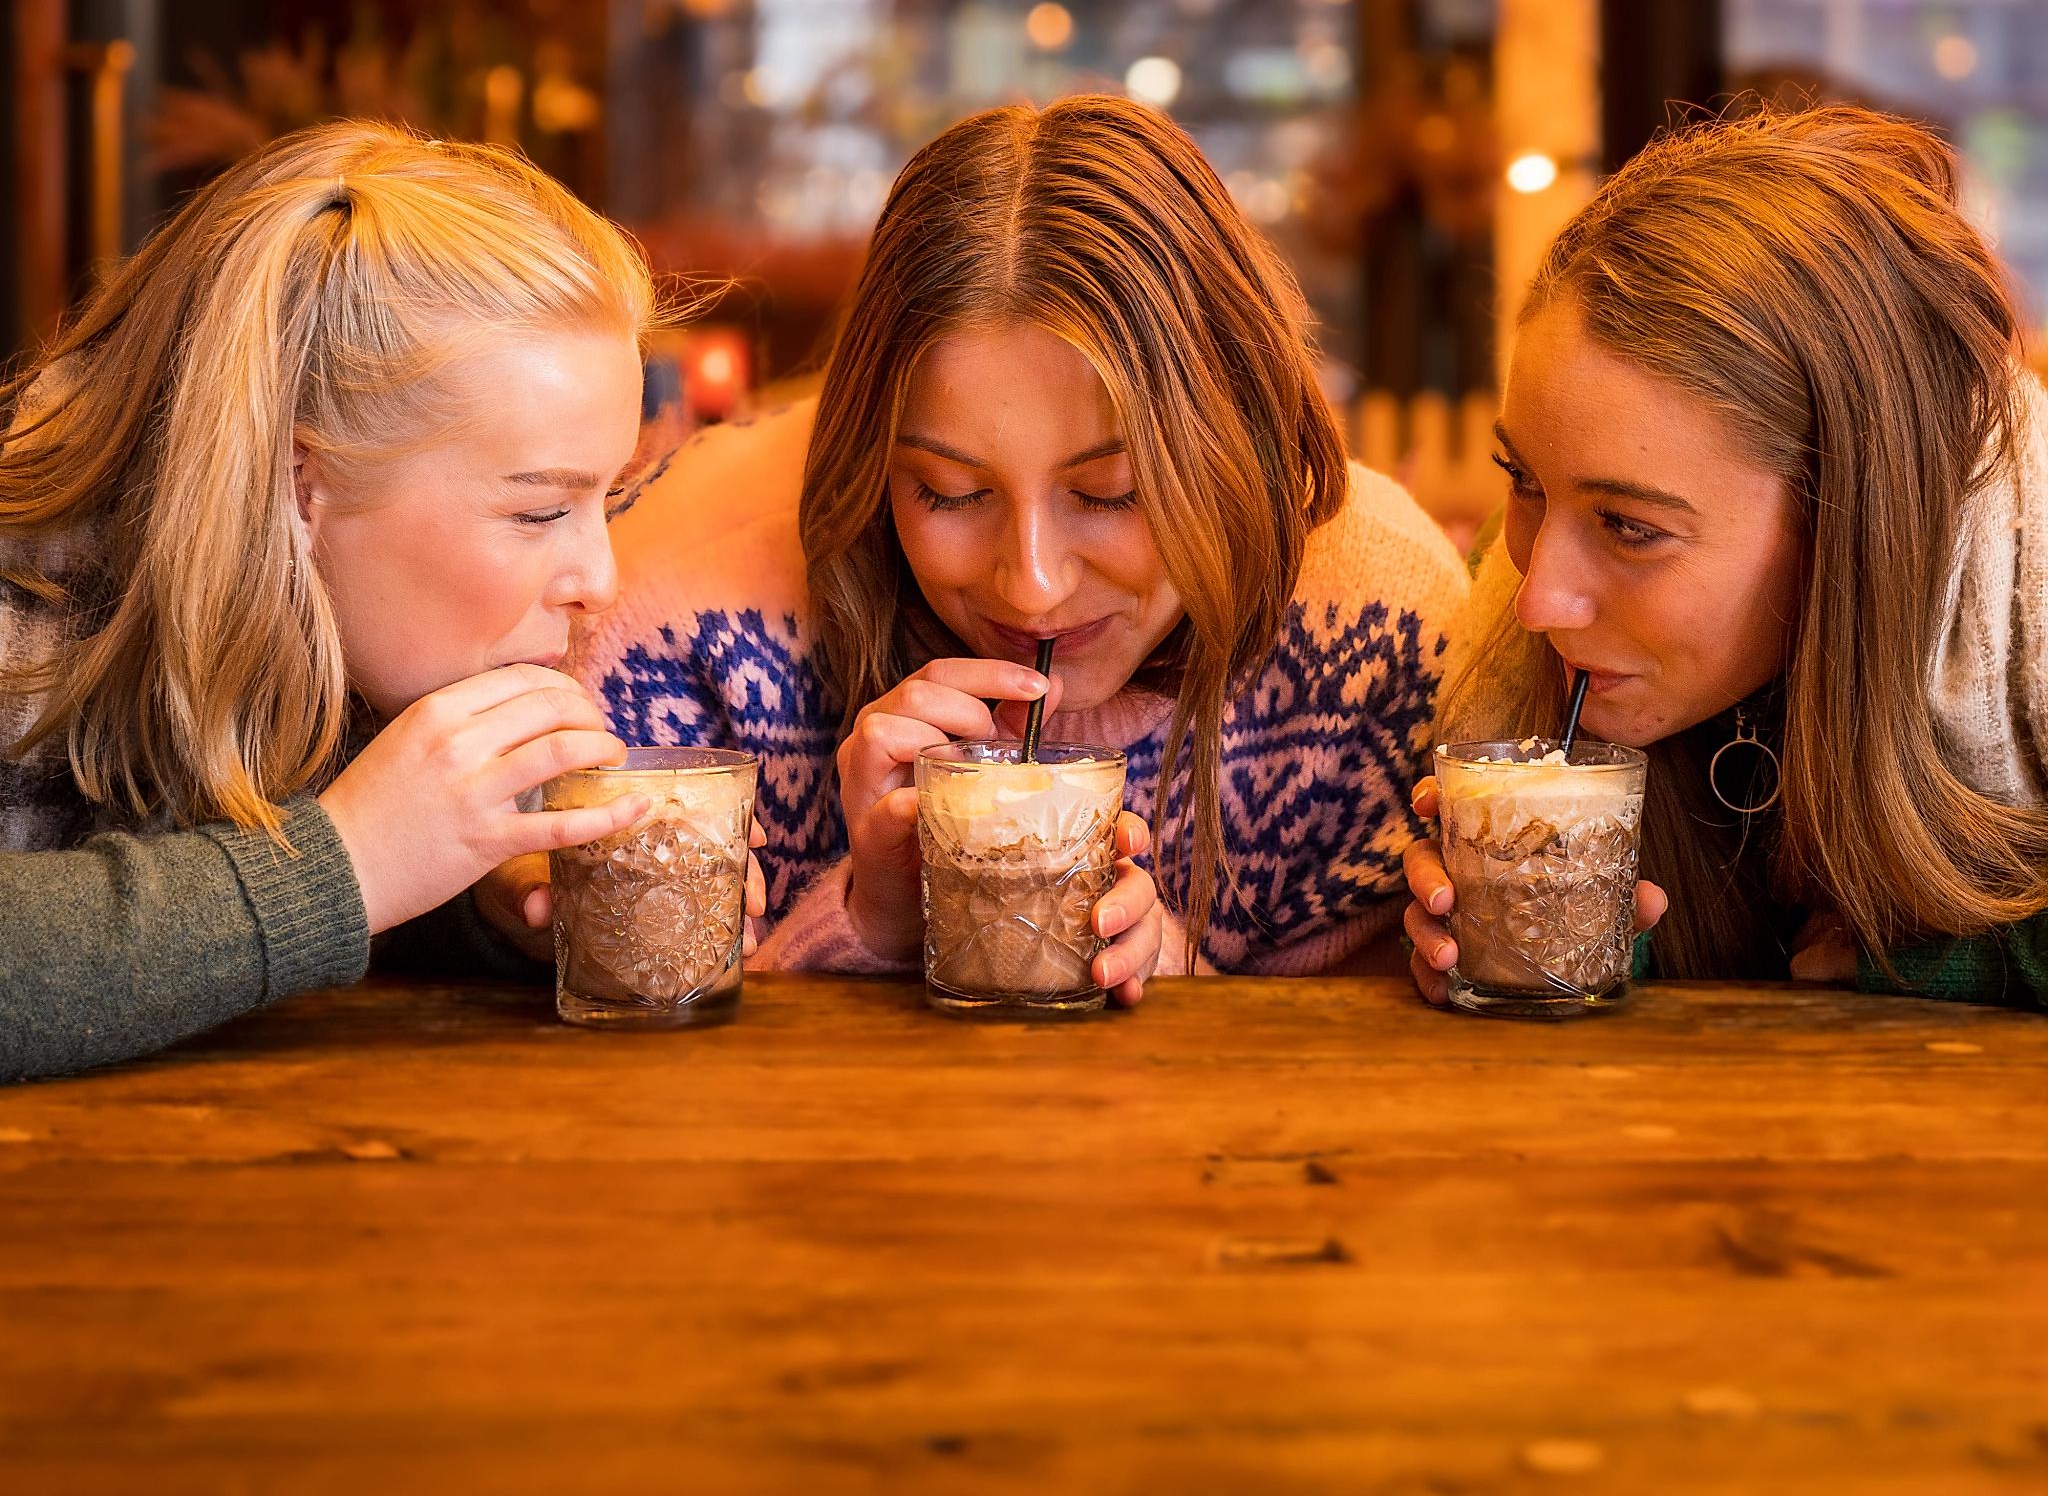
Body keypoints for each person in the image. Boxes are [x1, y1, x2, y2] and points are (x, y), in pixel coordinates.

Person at [487, 94, 1469, 982]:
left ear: (1230, 441)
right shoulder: (666, 623)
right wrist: (871, 923)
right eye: (951, 493)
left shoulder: (1380, 627)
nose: (1032, 586)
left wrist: (1174, 979)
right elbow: (638, 1103)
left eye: (1112, 492)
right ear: (870, 452)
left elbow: (1384, 1099)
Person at [0, 122, 762, 1083]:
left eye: (602, 500)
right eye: (537, 510)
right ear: (300, 485)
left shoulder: (338, 631)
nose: (598, 580)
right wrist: (347, 865)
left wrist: (480, 900)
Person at [1404, 104, 2048, 1008]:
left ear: (1846, 522)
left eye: (1631, 527)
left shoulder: (2025, 594)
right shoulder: (1501, 612)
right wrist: (1555, 944)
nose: (1536, 597)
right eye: (1524, 479)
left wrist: (1942, 962)